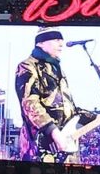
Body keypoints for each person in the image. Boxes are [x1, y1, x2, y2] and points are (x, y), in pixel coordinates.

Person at [14, 28, 92, 163]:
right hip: (40, 145)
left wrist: (98, 117)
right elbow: (30, 103)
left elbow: (69, 109)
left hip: (65, 148)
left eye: (62, 40)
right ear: (41, 43)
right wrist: (53, 131)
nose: (61, 44)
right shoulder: (28, 66)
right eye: (56, 40)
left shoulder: (57, 68)